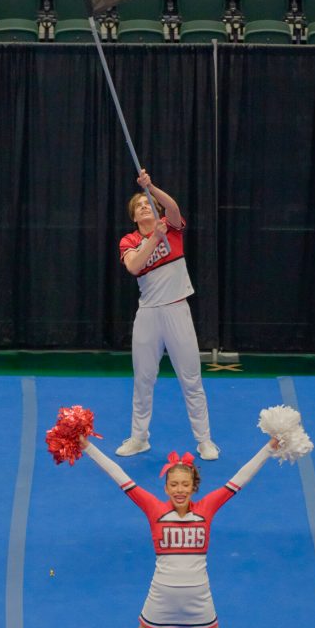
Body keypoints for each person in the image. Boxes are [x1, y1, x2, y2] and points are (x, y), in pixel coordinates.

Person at [79, 433, 279, 628]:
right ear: (166, 487)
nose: (180, 490)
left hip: (200, 602)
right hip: (160, 601)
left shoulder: (208, 508)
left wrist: (269, 448)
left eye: (185, 485)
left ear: (194, 486)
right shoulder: (154, 509)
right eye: (174, 485)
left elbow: (240, 478)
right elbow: (119, 475)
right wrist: (87, 446)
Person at [117, 169, 219, 461]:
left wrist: (150, 186)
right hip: (148, 314)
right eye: (139, 207)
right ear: (134, 217)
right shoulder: (129, 241)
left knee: (191, 378)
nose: (145, 207)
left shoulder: (170, 226)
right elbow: (134, 266)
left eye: (148, 203)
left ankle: (204, 441)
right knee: (143, 379)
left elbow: (173, 208)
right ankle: (139, 438)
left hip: (177, 309)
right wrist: (153, 239)